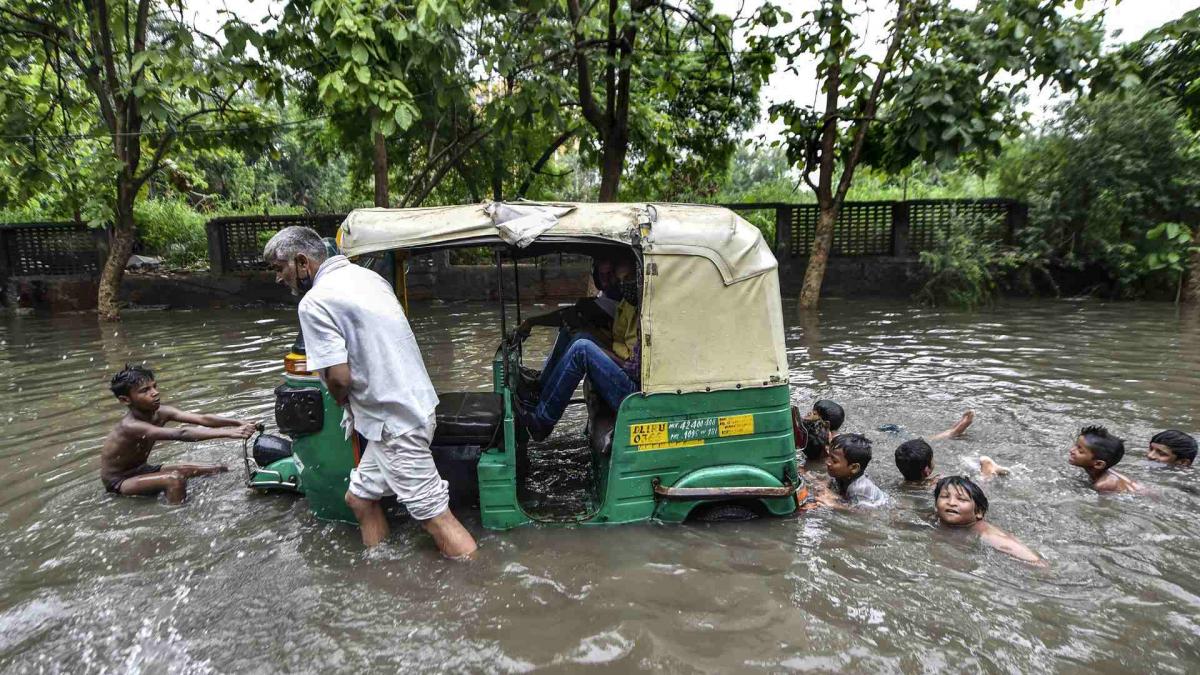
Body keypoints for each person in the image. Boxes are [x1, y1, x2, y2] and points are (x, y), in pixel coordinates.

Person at [263, 226, 477, 558]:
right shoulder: (369, 279)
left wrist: (339, 399)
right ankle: (380, 568)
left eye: (280, 269)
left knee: (436, 518)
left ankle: (477, 581)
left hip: (394, 425)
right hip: (410, 410)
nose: (279, 279)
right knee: (359, 500)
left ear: (302, 261)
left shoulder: (314, 302)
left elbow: (339, 379)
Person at [514, 258, 640, 441]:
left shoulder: (647, 314)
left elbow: (635, 370)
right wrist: (592, 337)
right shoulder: (626, 304)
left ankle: (542, 422)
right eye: (620, 280)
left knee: (583, 348)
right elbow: (616, 342)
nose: (622, 285)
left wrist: (600, 352)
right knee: (581, 337)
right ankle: (540, 392)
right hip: (623, 374)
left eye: (628, 279)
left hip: (633, 393)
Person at [100, 365, 254, 504]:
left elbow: (202, 418)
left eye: (154, 386)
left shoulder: (161, 412)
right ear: (125, 399)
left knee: (218, 468)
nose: (155, 393)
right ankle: (178, 515)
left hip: (143, 469)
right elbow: (181, 433)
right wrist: (229, 433)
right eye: (145, 390)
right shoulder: (131, 426)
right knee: (174, 479)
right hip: (120, 482)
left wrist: (238, 422)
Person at [933, 475, 1044, 565]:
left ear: (979, 512)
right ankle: (987, 474)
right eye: (944, 496)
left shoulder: (987, 535)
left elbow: (1037, 562)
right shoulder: (937, 515)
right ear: (936, 505)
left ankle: (990, 474)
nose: (951, 503)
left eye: (962, 499)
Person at [893, 411, 1004, 485]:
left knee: (928, 441)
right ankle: (988, 469)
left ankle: (954, 431)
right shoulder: (936, 482)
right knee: (980, 485)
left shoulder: (899, 485)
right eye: (932, 458)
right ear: (927, 471)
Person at [814, 433, 889, 508]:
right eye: (829, 456)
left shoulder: (859, 489)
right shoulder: (840, 473)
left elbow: (863, 512)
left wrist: (834, 504)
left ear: (854, 468)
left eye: (834, 461)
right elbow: (825, 482)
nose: (827, 462)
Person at [1068, 424, 1140, 493]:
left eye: (1080, 450)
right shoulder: (1102, 471)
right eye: (1076, 445)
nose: (1071, 450)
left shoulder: (1103, 485)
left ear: (1098, 464)